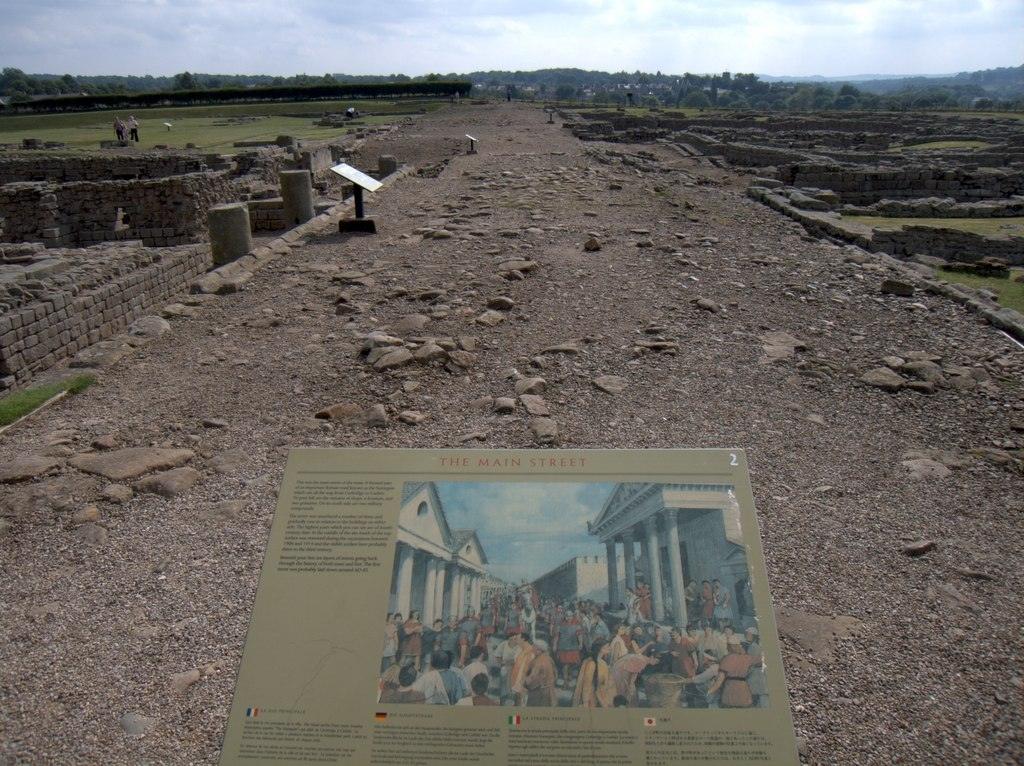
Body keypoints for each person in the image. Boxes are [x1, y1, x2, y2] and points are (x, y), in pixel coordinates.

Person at [708, 635, 761, 708]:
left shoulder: (727, 659)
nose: (726, 647)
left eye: (728, 646)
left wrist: (709, 692)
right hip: (744, 691)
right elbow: (761, 660)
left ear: (731, 646)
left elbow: (719, 682)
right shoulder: (747, 658)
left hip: (730, 692)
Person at [573, 639, 614, 708]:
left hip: (602, 696)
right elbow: (586, 685)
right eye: (607, 646)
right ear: (600, 649)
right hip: (592, 698)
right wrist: (585, 702)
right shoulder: (591, 664)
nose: (610, 648)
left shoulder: (603, 663)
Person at [523, 640, 557, 706]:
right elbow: (555, 674)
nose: (532, 650)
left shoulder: (539, 662)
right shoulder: (549, 658)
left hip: (538, 692)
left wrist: (525, 683)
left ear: (539, 650)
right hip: (549, 691)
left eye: (534, 648)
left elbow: (532, 678)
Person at [554, 610, 583, 688]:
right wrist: (555, 645)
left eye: (570, 616)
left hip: (573, 647)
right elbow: (557, 636)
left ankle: (569, 675)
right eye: (567, 616)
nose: (568, 618)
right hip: (563, 647)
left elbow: (579, 635)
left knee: (573, 663)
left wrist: (580, 643)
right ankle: (565, 681)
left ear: (572, 616)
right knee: (565, 664)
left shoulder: (576, 625)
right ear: (565, 616)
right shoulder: (560, 625)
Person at [510, 634, 537, 706]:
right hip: (517, 680)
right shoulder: (521, 649)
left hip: (522, 681)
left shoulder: (530, 652)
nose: (516, 640)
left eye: (517, 638)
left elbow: (529, 670)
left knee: (521, 702)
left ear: (523, 639)